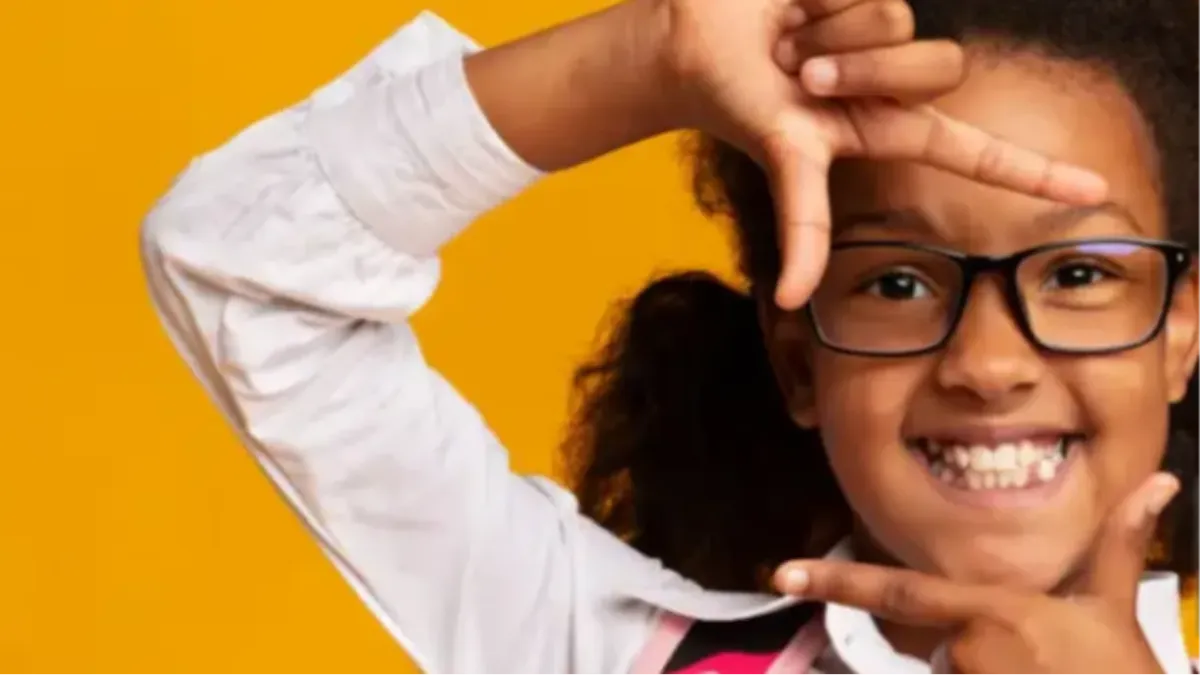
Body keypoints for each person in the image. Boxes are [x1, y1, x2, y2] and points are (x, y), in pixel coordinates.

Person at [139, 0, 1200, 671]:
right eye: (898, 281)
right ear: (797, 359)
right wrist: (650, 55)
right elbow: (248, 268)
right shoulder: (608, 647)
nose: (987, 364)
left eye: (1076, 274)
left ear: (1180, 335)